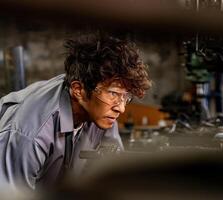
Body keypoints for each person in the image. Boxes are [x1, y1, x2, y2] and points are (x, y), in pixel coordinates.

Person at [0, 32, 151, 191]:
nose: (121, 108)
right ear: (78, 90)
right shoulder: (29, 134)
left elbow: (115, 176)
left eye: (125, 97)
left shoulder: (102, 111)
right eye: (113, 93)